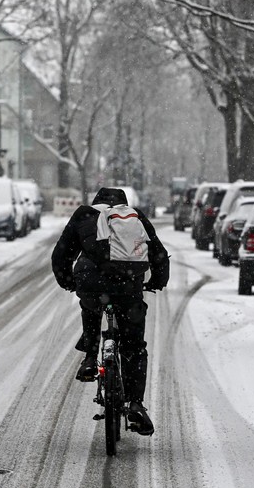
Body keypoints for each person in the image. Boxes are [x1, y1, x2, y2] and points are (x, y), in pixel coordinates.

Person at [51, 187, 169, 436]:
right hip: (129, 286)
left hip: (92, 281)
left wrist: (69, 282)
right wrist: (157, 280)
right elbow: (158, 253)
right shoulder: (135, 216)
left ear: (96, 202)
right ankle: (135, 403)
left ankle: (91, 359)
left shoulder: (85, 215)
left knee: (91, 307)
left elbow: (61, 254)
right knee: (134, 346)